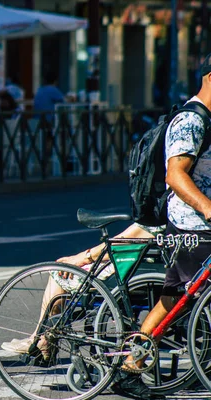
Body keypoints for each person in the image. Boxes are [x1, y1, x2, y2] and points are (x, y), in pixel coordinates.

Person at [112, 55, 211, 400]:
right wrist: (209, 209)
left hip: (200, 223)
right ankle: (130, 366)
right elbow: (176, 174)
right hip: (191, 224)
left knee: (179, 298)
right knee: (176, 299)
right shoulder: (191, 120)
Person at [0, 223, 163, 356]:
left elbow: (128, 240)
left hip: (136, 271)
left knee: (60, 273)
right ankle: (43, 338)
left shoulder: (163, 211)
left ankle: (42, 339)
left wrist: (83, 257)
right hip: (160, 268)